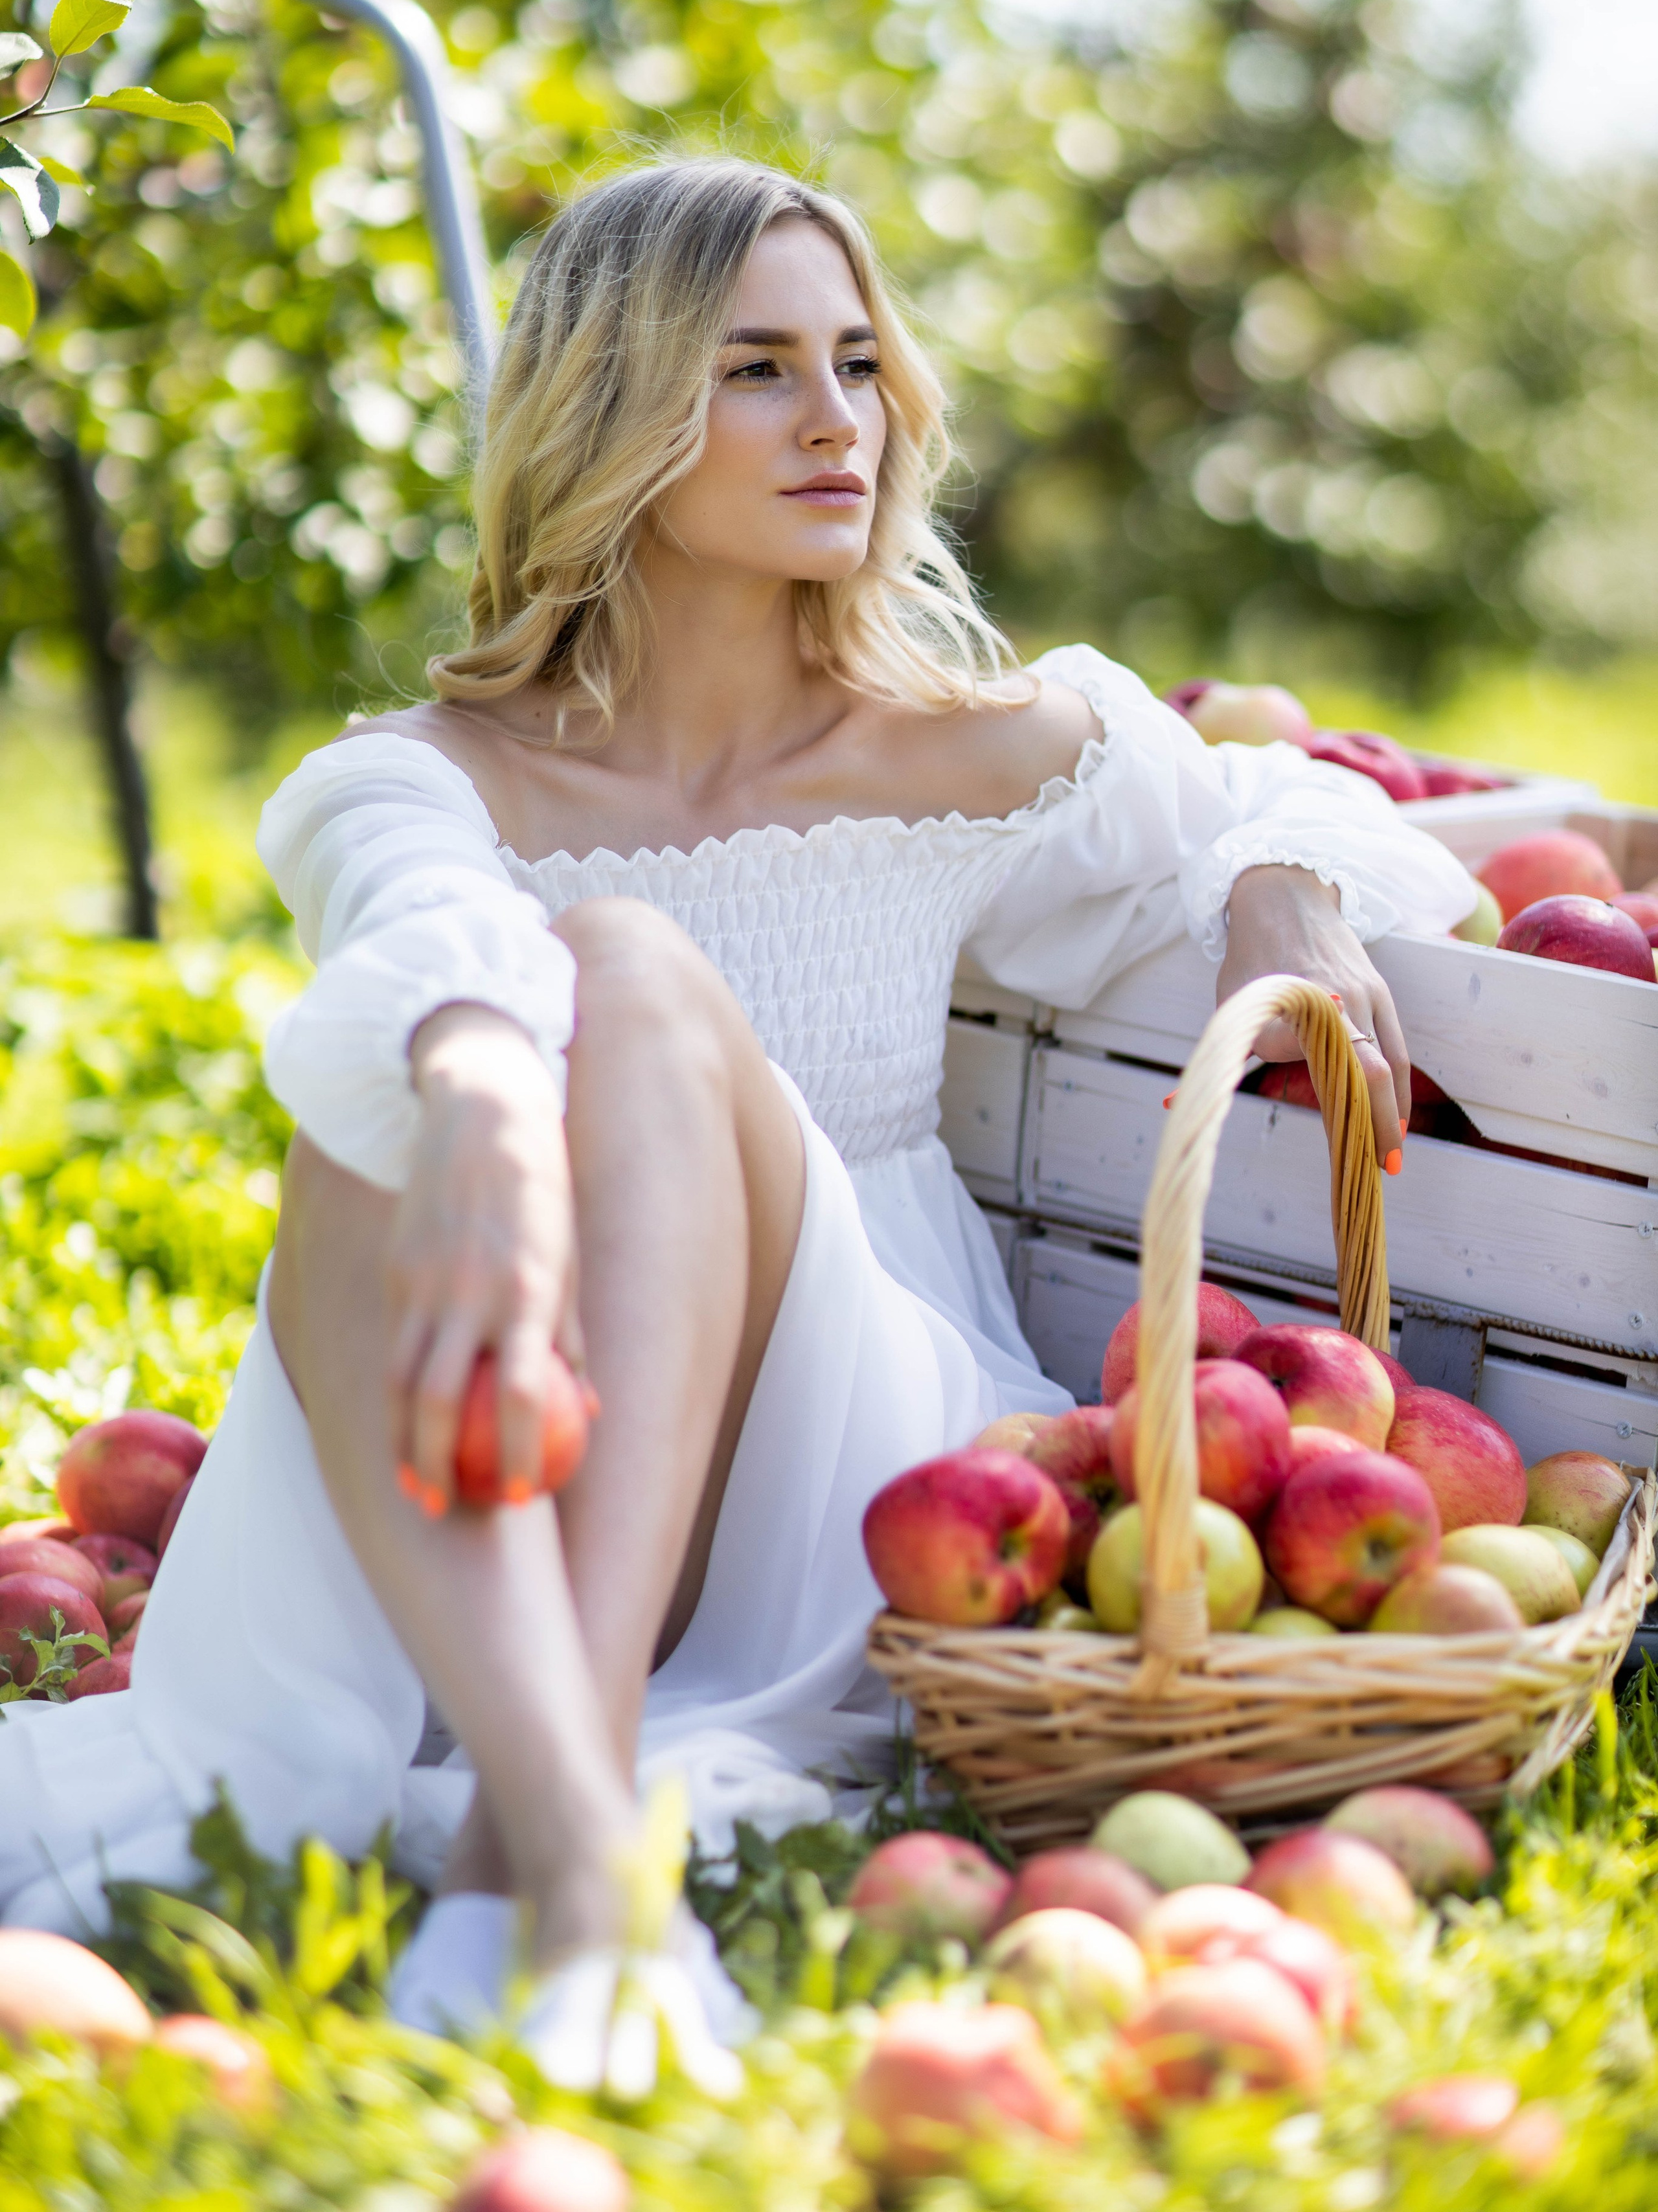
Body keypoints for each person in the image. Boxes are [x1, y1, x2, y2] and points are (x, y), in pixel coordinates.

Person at [0, 157, 1475, 2084]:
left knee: (615, 969)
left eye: (859, 363)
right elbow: (416, 933)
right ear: (611, 407)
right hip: (522, 1410)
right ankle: (562, 1837)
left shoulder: (976, 750)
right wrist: (483, 1109)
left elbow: (1313, 804)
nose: (840, 419)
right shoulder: (430, 776)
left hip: (840, 1437)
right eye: (760, 369)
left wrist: (1274, 885)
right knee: (413, 1066)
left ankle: (547, 1811)